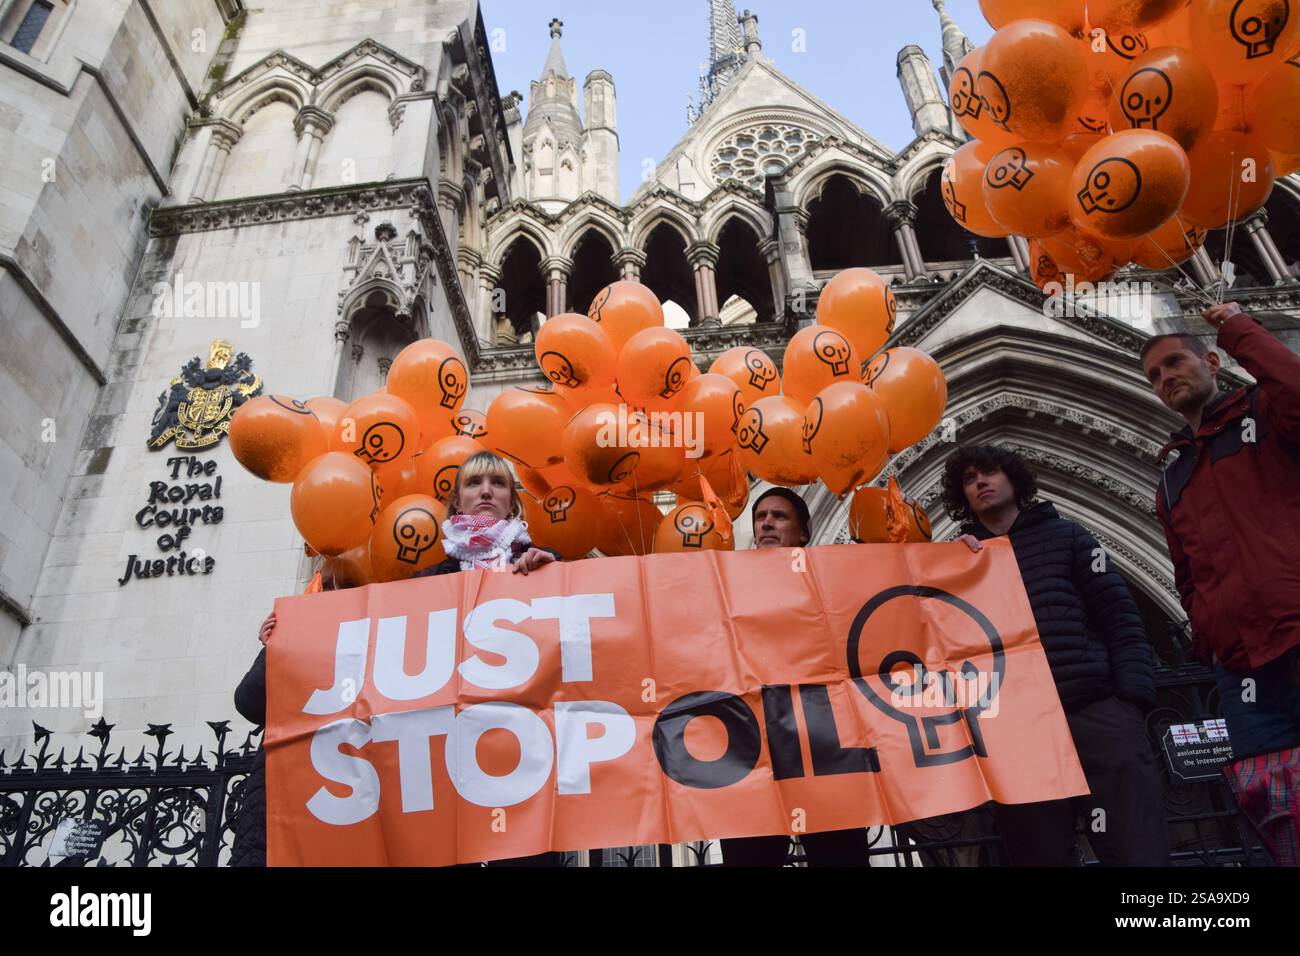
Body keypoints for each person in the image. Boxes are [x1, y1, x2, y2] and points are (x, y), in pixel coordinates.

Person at [941, 444, 1167, 866]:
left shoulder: (1069, 536)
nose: (980, 482)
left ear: (1014, 478)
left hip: (1095, 710)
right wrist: (952, 564)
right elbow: (949, 640)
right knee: (1039, 850)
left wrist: (1131, 702)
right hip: (1020, 728)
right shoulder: (962, 560)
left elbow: (1118, 615)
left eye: (989, 472)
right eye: (969, 479)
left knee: (1134, 844)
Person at [1141, 302, 1300, 866]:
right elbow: (1185, 572)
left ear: (1211, 361)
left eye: (1175, 362)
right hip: (1242, 668)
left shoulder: (1268, 414)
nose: (1166, 378)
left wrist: (1236, 327)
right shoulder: (1172, 475)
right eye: (1155, 376)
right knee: (1273, 801)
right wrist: (1208, 639)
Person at [415, 450, 564, 866]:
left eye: (498, 483)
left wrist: (555, 578)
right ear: (456, 500)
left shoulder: (543, 564)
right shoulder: (426, 582)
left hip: (526, 752)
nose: (486, 491)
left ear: (512, 502)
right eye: (474, 483)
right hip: (450, 752)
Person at [230, 558, 361, 867]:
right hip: (281, 791)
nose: (330, 594)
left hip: (342, 787)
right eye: (324, 585)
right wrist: (271, 649)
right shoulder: (289, 638)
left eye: (343, 588)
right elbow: (248, 703)